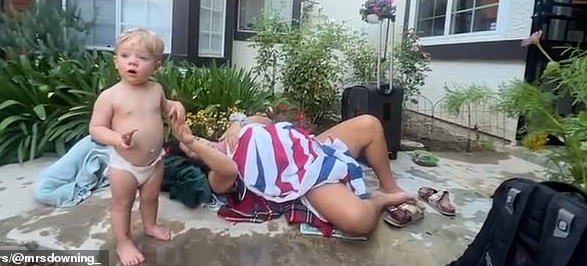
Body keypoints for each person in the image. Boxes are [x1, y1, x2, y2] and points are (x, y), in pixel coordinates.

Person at [170, 113, 416, 235]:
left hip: (312, 146)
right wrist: (191, 142)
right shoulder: (219, 175)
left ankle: (389, 187)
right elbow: (228, 169)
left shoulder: (230, 135)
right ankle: (379, 200)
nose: (200, 144)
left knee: (369, 124)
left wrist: (240, 122)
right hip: (305, 177)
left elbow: (265, 120)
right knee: (359, 222)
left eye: (199, 139)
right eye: (193, 150)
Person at [89, 28, 185, 266]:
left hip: (154, 161)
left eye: (142, 58)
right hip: (125, 165)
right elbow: (96, 128)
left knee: (151, 197)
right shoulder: (110, 96)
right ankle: (123, 242)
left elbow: (165, 106)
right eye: (126, 56)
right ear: (116, 62)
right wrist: (117, 139)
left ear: (157, 65)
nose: (133, 62)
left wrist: (175, 105)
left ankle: (150, 225)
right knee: (122, 204)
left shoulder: (156, 90)